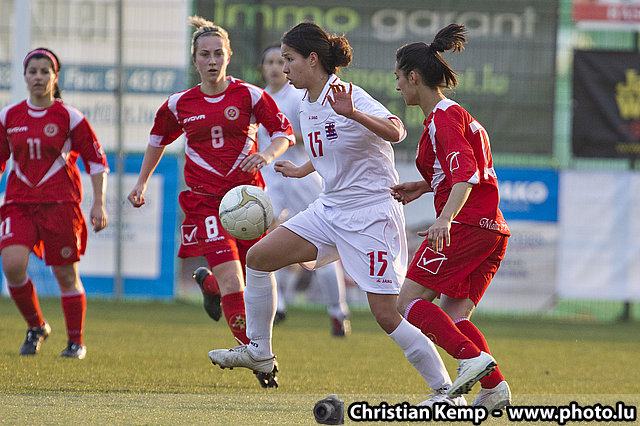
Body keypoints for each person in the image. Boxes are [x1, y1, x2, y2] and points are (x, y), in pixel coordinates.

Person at [208, 22, 463, 405]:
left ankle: (446, 392)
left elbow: (397, 130)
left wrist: (354, 113)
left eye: (290, 59)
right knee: (258, 258)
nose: (285, 68)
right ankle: (259, 350)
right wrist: (302, 169)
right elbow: (332, 146)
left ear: (313, 59)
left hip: (370, 215)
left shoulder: (346, 94)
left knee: (387, 314)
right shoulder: (306, 102)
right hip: (330, 209)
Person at [127, 16, 293, 388]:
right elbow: (157, 140)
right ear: (195, 60)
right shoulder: (179, 104)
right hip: (206, 204)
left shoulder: (250, 95)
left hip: (248, 202)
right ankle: (258, 357)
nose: (213, 60)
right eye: (205, 54)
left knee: (255, 276)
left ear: (229, 56)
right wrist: (141, 183)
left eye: (219, 53)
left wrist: (267, 154)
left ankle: (212, 288)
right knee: (234, 280)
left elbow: (283, 132)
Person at [392, 24, 512, 410]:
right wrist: (422, 186)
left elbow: (466, 176)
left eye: (399, 77)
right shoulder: (450, 116)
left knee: (407, 302)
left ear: (414, 77)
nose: (398, 86)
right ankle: (494, 389)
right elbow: (462, 172)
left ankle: (469, 360)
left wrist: (444, 219)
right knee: (455, 317)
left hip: (465, 226)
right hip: (491, 228)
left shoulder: (443, 118)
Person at [0, 47, 109, 360]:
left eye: (44, 71)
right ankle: (36, 326)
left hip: (60, 204)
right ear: (24, 76)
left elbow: (97, 162)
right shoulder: (9, 116)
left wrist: (99, 204)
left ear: (55, 76)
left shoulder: (69, 117)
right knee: (12, 265)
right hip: (19, 203)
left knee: (65, 275)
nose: (38, 77)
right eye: (32, 71)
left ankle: (76, 342)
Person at [256, 44, 350, 335]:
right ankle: (278, 305)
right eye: (269, 62)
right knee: (264, 240)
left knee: (320, 248)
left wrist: (283, 137)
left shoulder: (298, 97)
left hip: (302, 177)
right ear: (261, 68)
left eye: (280, 61)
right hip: (271, 179)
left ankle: (337, 311)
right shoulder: (259, 98)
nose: (275, 67)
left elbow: (317, 136)